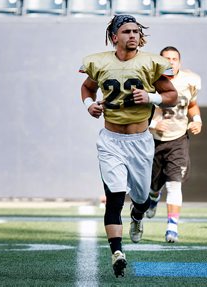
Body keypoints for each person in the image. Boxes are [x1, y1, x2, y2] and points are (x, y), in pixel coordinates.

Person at [79, 15, 177, 277]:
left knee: (142, 200)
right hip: (111, 140)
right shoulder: (98, 62)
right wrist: (90, 105)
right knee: (114, 196)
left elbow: (172, 96)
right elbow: (87, 88)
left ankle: (138, 217)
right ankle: (117, 252)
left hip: (140, 140)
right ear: (114, 37)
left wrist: (151, 96)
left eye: (135, 31)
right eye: (126, 32)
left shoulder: (152, 63)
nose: (132, 35)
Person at [145, 46, 203, 243]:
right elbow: (136, 109)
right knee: (152, 186)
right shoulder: (149, 80)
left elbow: (192, 105)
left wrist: (197, 120)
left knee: (174, 184)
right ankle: (153, 198)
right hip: (153, 140)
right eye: (166, 59)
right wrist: (152, 123)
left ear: (180, 62)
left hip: (178, 138)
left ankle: (172, 228)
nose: (170, 62)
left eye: (174, 58)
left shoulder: (190, 80)